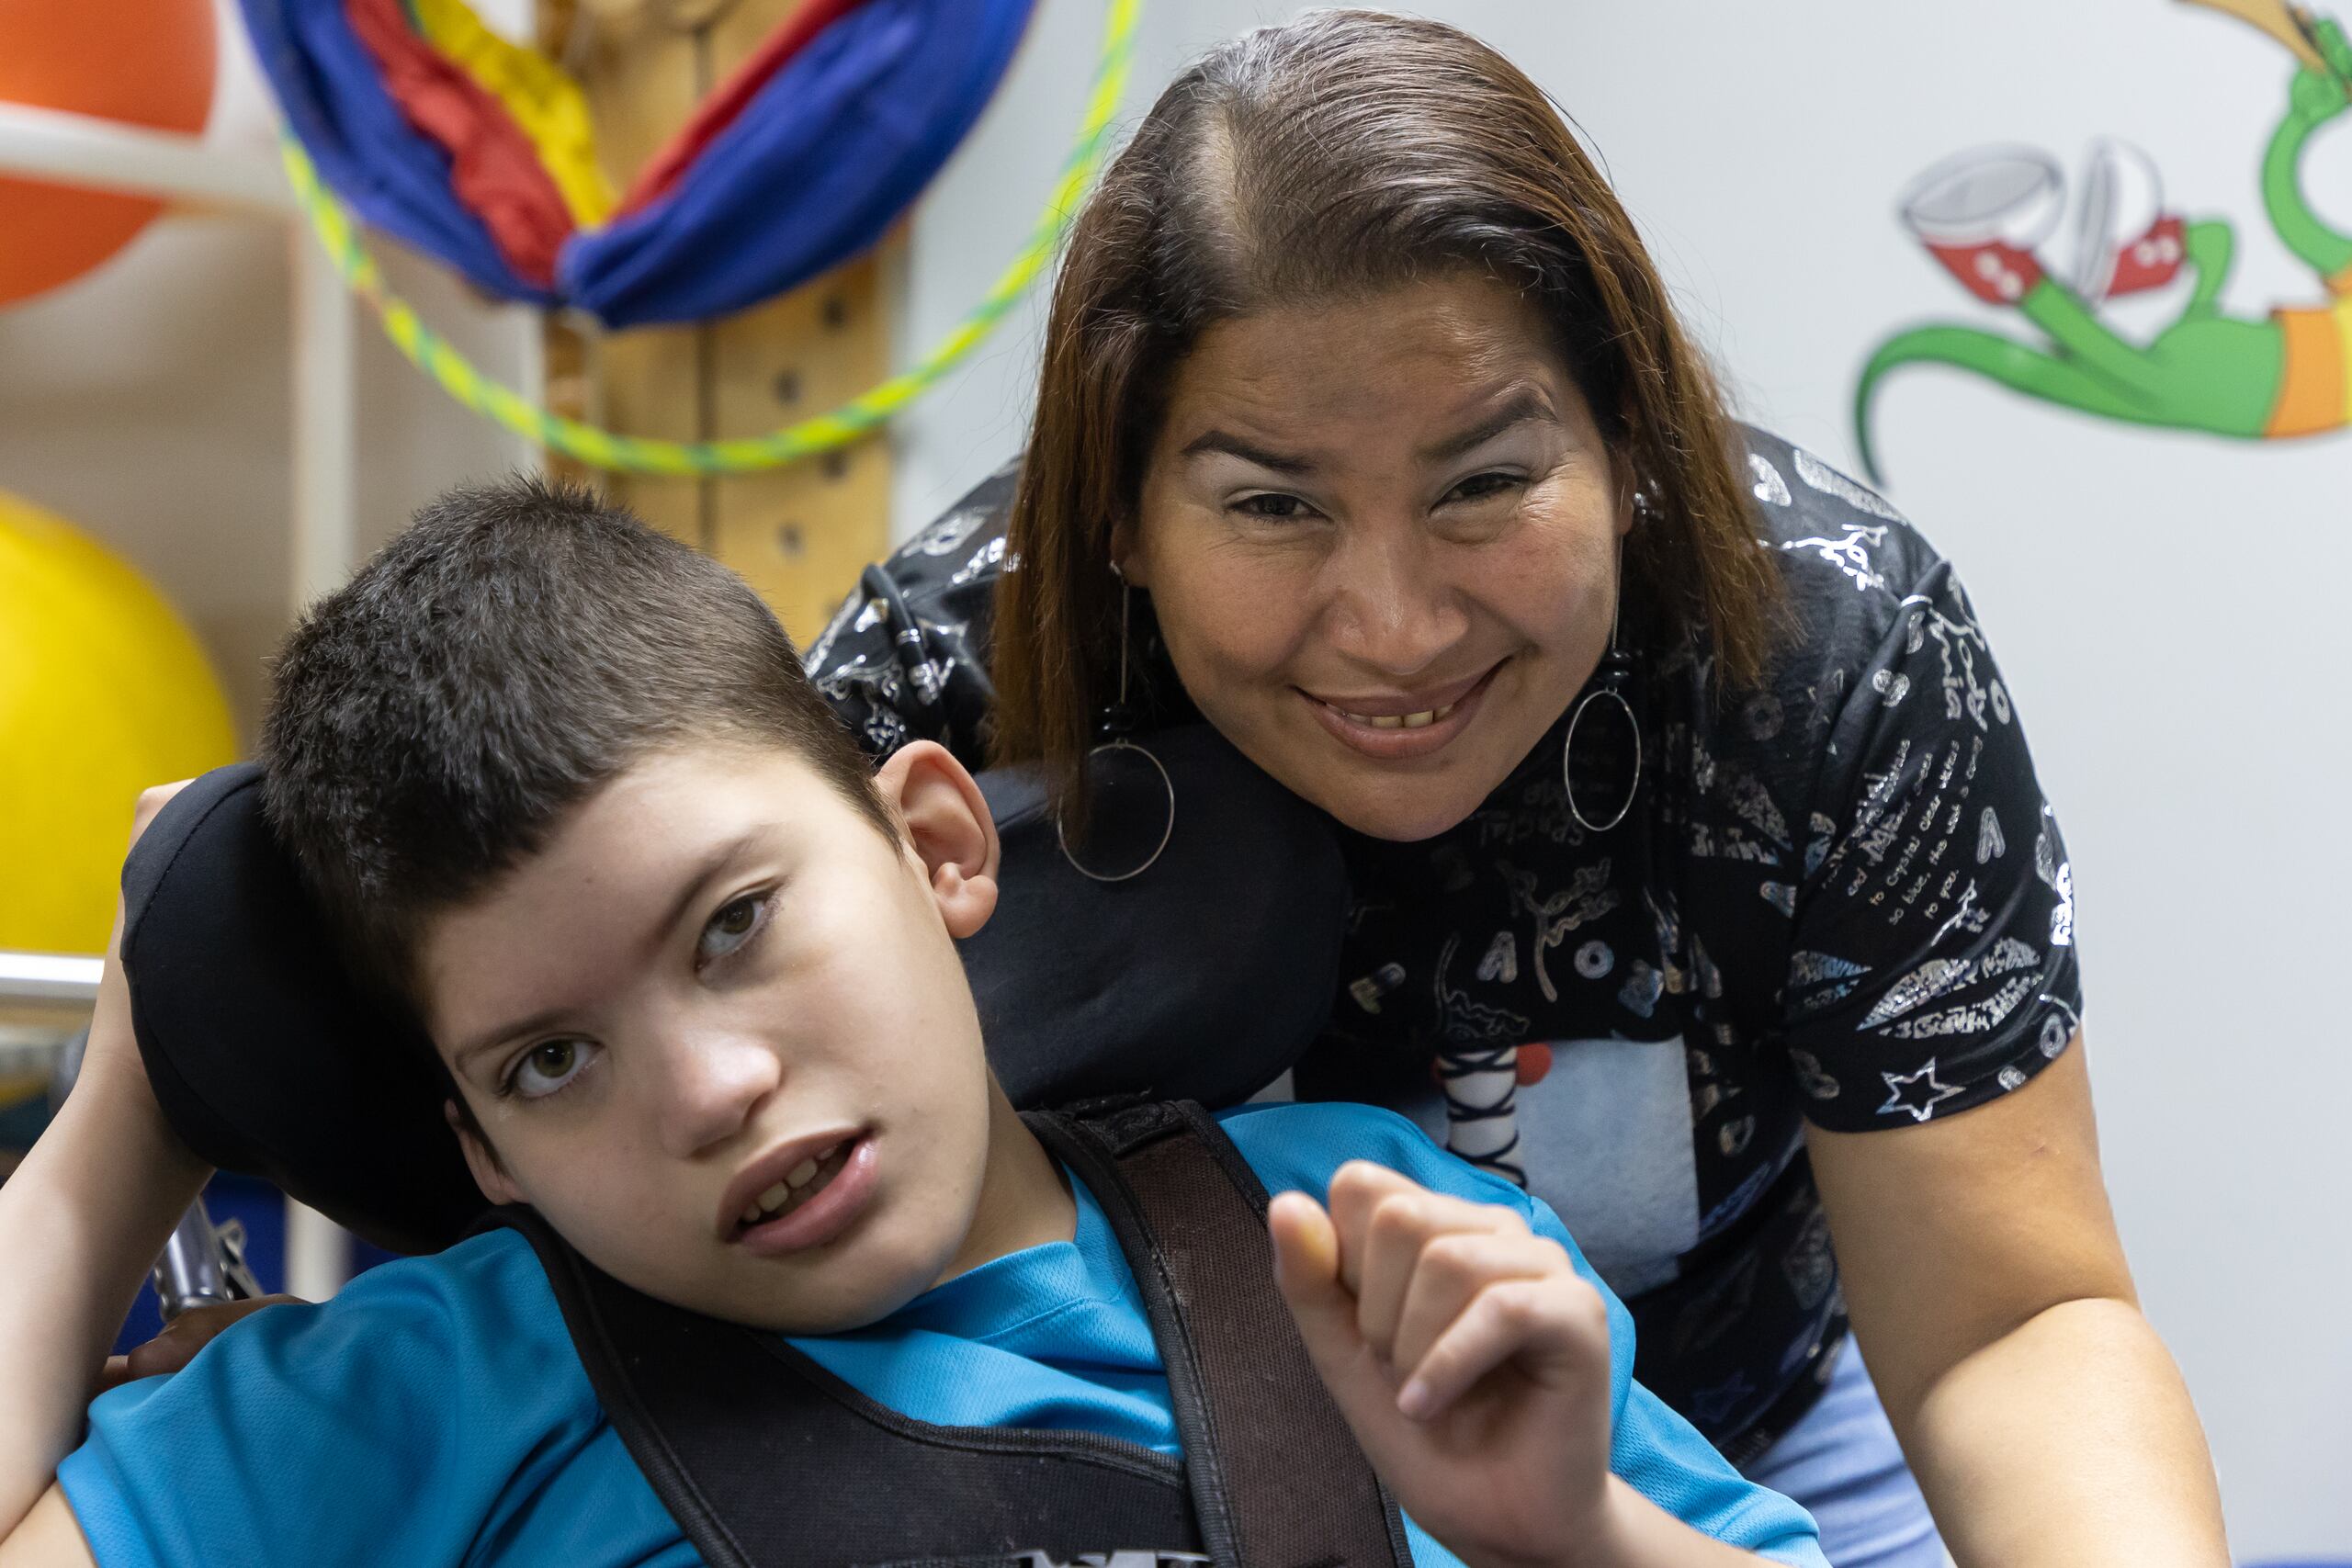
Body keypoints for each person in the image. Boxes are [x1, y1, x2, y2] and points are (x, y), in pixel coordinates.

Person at [804, 13, 2228, 1566]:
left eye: (1485, 483)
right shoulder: (926, 710)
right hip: (1161, 1473)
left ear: (1629, 439)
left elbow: (2008, 1325)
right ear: (1122, 516)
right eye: (1272, 506)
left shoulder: (1838, 656)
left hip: (1761, 1447)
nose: (1397, 628)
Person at [0, 481, 1826, 1568]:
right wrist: (133, 1098)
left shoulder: (1368, 1242)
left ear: (938, 843)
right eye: (550, 1059)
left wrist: (1577, 1531)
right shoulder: (436, 1384)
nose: (711, 1087)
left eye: (735, 925)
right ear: (481, 1144)